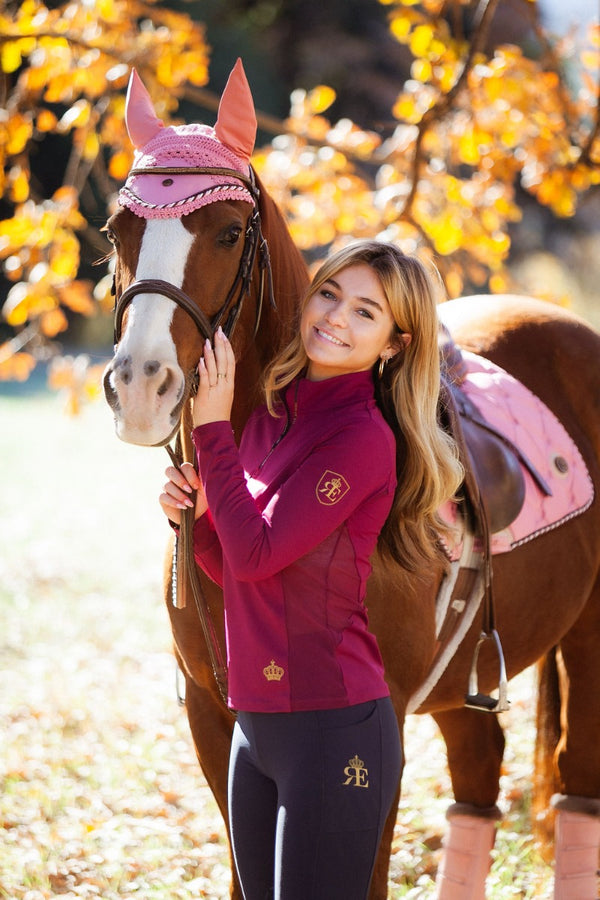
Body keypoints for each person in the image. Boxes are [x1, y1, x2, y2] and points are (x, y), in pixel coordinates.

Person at [159, 240, 463, 900]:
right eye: (329, 294)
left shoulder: (362, 437)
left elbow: (257, 553)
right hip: (257, 728)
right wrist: (199, 514)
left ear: (393, 343)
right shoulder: (273, 416)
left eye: (365, 312)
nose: (335, 317)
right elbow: (239, 570)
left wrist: (211, 429)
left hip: (334, 730)